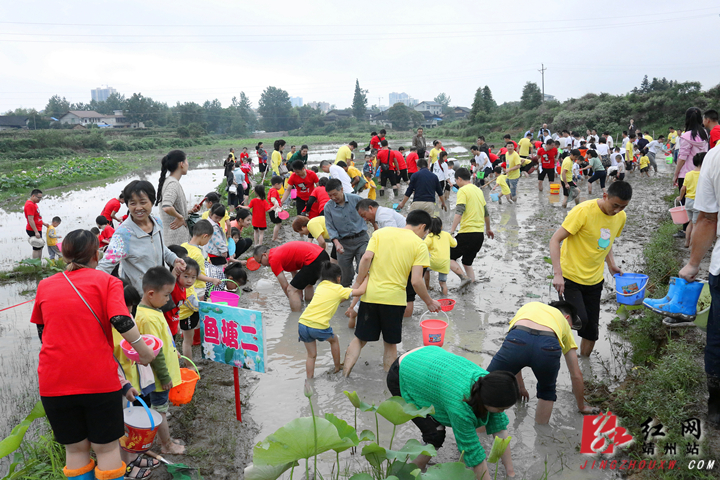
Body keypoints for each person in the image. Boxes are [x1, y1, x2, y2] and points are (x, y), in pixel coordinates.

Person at [31, 229, 156, 480]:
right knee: (106, 448)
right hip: (97, 379)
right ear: (96, 255)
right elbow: (121, 319)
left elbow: (43, 332)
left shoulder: (45, 285)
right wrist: (144, 353)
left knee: (75, 449)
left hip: (53, 381)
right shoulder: (107, 281)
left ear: (64, 255)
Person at [386, 346, 517, 479]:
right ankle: (411, 473)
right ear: (487, 401)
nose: (502, 412)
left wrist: (510, 474)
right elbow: (473, 453)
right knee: (435, 433)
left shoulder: (491, 384)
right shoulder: (460, 406)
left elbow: (500, 431)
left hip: (426, 356)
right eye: (502, 409)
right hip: (405, 372)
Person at [343, 210, 441, 376]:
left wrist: (359, 282)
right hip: (394, 300)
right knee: (390, 343)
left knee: (359, 339)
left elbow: (366, 258)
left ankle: (344, 375)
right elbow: (416, 281)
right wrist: (429, 301)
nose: (425, 236)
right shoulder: (419, 245)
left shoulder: (380, 233)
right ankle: (387, 384)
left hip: (371, 296)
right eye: (426, 233)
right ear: (423, 227)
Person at [549, 181, 632, 357]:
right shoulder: (583, 211)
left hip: (595, 280)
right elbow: (555, 240)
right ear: (605, 196)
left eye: (623, 207)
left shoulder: (620, 217)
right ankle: (550, 342)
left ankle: (583, 366)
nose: (617, 210)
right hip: (570, 277)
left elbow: (607, 242)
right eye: (615, 205)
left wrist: (611, 264)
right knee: (581, 319)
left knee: (592, 331)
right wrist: (558, 274)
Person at [487, 301, 598, 424]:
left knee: (486, 382)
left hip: (518, 337)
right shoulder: (563, 324)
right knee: (547, 392)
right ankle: (541, 437)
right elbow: (576, 374)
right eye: (571, 326)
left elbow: (515, 357)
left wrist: (520, 386)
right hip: (548, 347)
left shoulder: (530, 306)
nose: (570, 328)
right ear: (567, 318)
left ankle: (480, 433)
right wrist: (581, 406)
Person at [678, 146, 720, 427]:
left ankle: (716, 406)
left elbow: (707, 218)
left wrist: (693, 263)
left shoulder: (716, 157)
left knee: (717, 337)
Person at [98, 181, 185, 295]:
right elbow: (105, 265)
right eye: (133, 203)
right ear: (127, 204)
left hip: (161, 292)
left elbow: (160, 248)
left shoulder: (157, 223)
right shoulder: (124, 233)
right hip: (140, 298)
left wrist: (174, 259)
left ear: (152, 202)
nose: (138, 208)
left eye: (143, 202)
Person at [135, 267, 185, 455]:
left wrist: (175, 352)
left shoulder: (153, 310)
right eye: (166, 295)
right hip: (158, 378)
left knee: (160, 408)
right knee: (160, 410)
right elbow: (153, 353)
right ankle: (166, 445)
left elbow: (161, 341)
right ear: (150, 293)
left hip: (163, 373)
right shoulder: (147, 318)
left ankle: (167, 440)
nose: (168, 300)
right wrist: (164, 377)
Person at [298, 263, 367, 378]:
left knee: (311, 355)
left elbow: (334, 300)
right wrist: (368, 276)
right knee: (334, 340)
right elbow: (360, 291)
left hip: (303, 323)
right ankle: (336, 367)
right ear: (339, 278)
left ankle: (309, 380)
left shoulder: (320, 286)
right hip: (318, 325)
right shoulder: (338, 289)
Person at [450, 168, 494, 288]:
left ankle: (464, 278)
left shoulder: (463, 190)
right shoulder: (478, 190)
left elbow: (459, 211)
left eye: (456, 180)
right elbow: (486, 213)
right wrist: (488, 229)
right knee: (467, 262)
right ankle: (471, 286)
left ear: (459, 179)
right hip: (479, 235)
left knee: (447, 257)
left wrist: (452, 231)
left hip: (467, 233)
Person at [253, 242, 329, 311]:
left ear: (265, 255)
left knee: (291, 290)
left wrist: (293, 297)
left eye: (260, 262)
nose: (262, 265)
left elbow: (285, 286)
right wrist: (298, 295)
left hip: (314, 259)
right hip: (322, 254)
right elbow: (295, 275)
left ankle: (296, 317)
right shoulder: (279, 252)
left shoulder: (273, 259)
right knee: (308, 284)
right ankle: (310, 308)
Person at [323, 179, 369, 287]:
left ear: (342, 189)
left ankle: (362, 296)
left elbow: (370, 212)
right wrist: (336, 243)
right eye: (330, 195)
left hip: (361, 239)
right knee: (344, 275)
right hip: (343, 243)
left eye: (335, 194)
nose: (333, 198)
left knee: (363, 267)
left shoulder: (357, 200)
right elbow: (330, 227)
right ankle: (346, 299)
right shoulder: (328, 207)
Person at [181, 219, 221, 302]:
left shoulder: (183, 246)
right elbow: (197, 275)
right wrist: (212, 280)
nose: (207, 241)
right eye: (209, 239)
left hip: (185, 285)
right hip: (198, 288)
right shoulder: (198, 254)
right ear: (205, 236)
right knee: (198, 309)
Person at [676, 153, 705, 249]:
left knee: (690, 222)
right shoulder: (704, 174)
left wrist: (680, 197)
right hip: (698, 202)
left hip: (688, 201)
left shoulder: (688, 174)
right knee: (696, 225)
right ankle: (693, 244)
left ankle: (687, 242)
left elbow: (683, 188)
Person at [423, 217, 456, 296]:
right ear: (441, 226)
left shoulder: (430, 236)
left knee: (426, 270)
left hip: (433, 262)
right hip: (445, 263)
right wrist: (453, 239)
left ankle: (427, 287)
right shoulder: (447, 235)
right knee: (443, 283)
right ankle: (445, 297)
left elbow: (423, 246)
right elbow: (454, 245)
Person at [24, 189, 48, 259]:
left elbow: (37, 217)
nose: (39, 199)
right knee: (36, 248)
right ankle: (36, 264)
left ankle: (38, 262)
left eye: (41, 198)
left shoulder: (34, 204)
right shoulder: (30, 205)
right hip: (33, 229)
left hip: (37, 228)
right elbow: (30, 220)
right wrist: (36, 232)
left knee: (40, 246)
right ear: (33, 196)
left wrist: (43, 223)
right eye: (38, 197)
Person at [268, 176, 284, 243]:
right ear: (276, 184)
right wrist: (277, 206)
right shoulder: (274, 191)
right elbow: (273, 199)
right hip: (274, 210)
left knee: (279, 223)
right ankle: (274, 238)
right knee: (278, 224)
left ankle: (276, 236)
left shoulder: (271, 190)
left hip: (273, 209)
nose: (281, 186)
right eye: (280, 184)